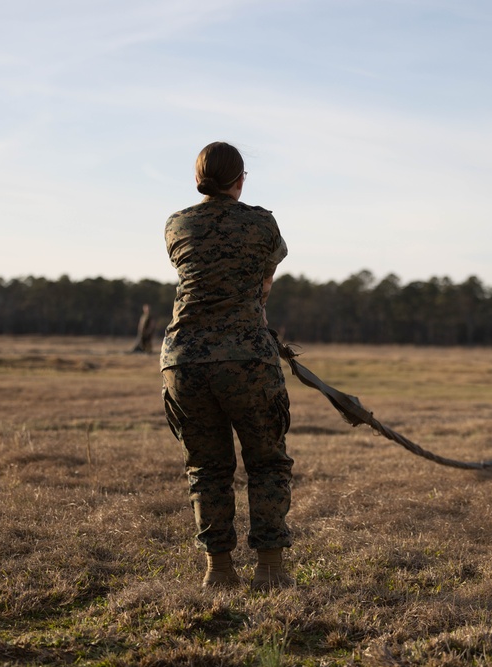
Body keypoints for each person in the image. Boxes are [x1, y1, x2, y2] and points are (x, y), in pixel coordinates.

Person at [160, 141, 293, 589]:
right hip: (246, 359)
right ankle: (270, 569)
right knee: (266, 462)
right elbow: (264, 283)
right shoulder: (261, 223)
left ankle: (218, 572)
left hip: (184, 361)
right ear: (240, 179)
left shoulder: (177, 224)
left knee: (206, 467)